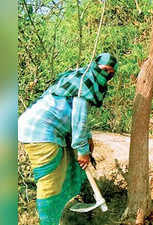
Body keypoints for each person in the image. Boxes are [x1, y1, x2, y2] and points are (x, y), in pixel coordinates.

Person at [18, 53, 117, 225]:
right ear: (96, 67)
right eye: (104, 69)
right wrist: (83, 150)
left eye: (111, 71)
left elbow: (78, 119)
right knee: (50, 181)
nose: (107, 74)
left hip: (45, 129)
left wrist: (88, 140)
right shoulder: (83, 85)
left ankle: (66, 208)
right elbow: (78, 122)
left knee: (67, 167)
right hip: (40, 132)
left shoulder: (81, 79)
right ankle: (48, 221)